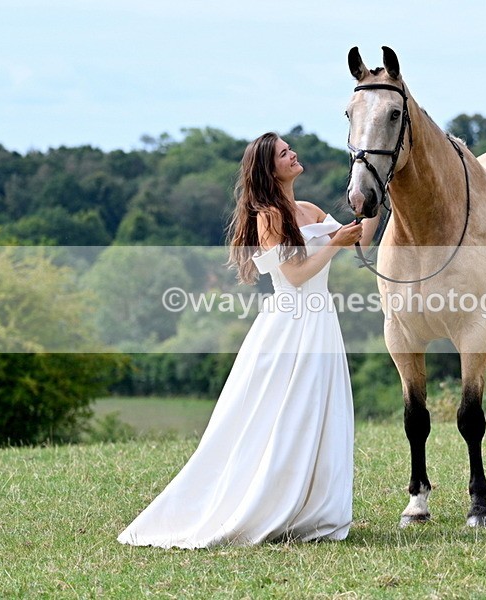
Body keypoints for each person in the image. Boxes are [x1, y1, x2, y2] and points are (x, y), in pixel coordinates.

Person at [117, 132, 376, 548]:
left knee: (319, 413)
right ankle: (267, 503)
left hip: (321, 321)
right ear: (269, 168)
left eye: (290, 149)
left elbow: (358, 236)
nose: (293, 154)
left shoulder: (309, 209)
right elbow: (292, 276)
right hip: (291, 325)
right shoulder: (267, 216)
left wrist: (375, 198)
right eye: (283, 153)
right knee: (283, 415)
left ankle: (313, 510)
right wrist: (335, 245)